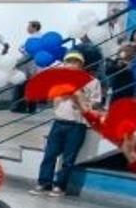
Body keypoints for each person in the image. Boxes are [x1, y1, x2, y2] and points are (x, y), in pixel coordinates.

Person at [33, 53, 100, 196]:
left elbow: (95, 102)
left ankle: (60, 186)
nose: (71, 64)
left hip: (77, 123)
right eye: (68, 61)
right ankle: (44, 183)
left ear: (81, 64)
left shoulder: (92, 81)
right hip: (59, 121)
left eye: (75, 62)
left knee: (68, 158)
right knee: (49, 155)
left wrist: (81, 98)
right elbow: (48, 96)